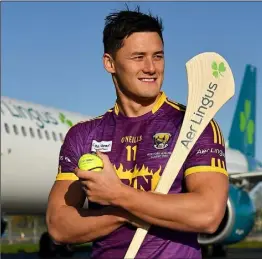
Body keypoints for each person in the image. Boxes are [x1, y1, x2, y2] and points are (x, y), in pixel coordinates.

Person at [46, 7, 229, 259]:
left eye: (158, 56)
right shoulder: (83, 135)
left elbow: (208, 215)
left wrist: (118, 195)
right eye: (138, 57)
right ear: (109, 63)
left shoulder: (195, 124)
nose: (151, 68)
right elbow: (59, 226)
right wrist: (129, 210)